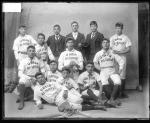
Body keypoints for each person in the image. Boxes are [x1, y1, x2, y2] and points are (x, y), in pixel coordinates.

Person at [34, 72, 106, 113]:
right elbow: (37, 99)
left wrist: (65, 92)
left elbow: (62, 87)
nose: (41, 79)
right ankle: (96, 107)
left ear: (44, 77)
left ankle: (93, 101)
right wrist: (39, 104)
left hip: (62, 93)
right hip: (57, 100)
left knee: (79, 100)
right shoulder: (36, 89)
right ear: (37, 80)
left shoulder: (52, 82)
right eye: (38, 78)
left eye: (42, 77)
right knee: (74, 107)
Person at [93, 38, 124, 107]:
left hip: (112, 69)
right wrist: (100, 69)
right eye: (104, 42)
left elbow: (121, 61)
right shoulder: (99, 53)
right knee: (104, 83)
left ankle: (111, 99)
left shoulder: (113, 52)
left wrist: (119, 71)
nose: (105, 44)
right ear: (102, 44)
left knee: (118, 81)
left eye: (107, 42)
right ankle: (112, 99)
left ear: (109, 44)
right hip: (103, 70)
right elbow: (95, 62)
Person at [110, 22, 132, 98]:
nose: (118, 30)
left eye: (119, 28)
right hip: (114, 57)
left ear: (122, 29)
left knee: (122, 75)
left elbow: (129, 49)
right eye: (116, 28)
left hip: (122, 57)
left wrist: (120, 52)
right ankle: (114, 92)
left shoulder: (125, 37)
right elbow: (110, 48)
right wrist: (115, 53)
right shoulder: (112, 37)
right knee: (114, 73)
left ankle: (122, 93)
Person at [17, 45, 42, 110]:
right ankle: (22, 101)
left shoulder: (38, 60)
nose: (31, 52)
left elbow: (42, 70)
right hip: (28, 78)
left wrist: (39, 79)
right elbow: (20, 73)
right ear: (27, 52)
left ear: (35, 52)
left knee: (42, 97)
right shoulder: (23, 61)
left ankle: (26, 98)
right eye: (30, 51)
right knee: (21, 81)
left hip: (36, 79)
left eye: (33, 51)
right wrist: (30, 78)